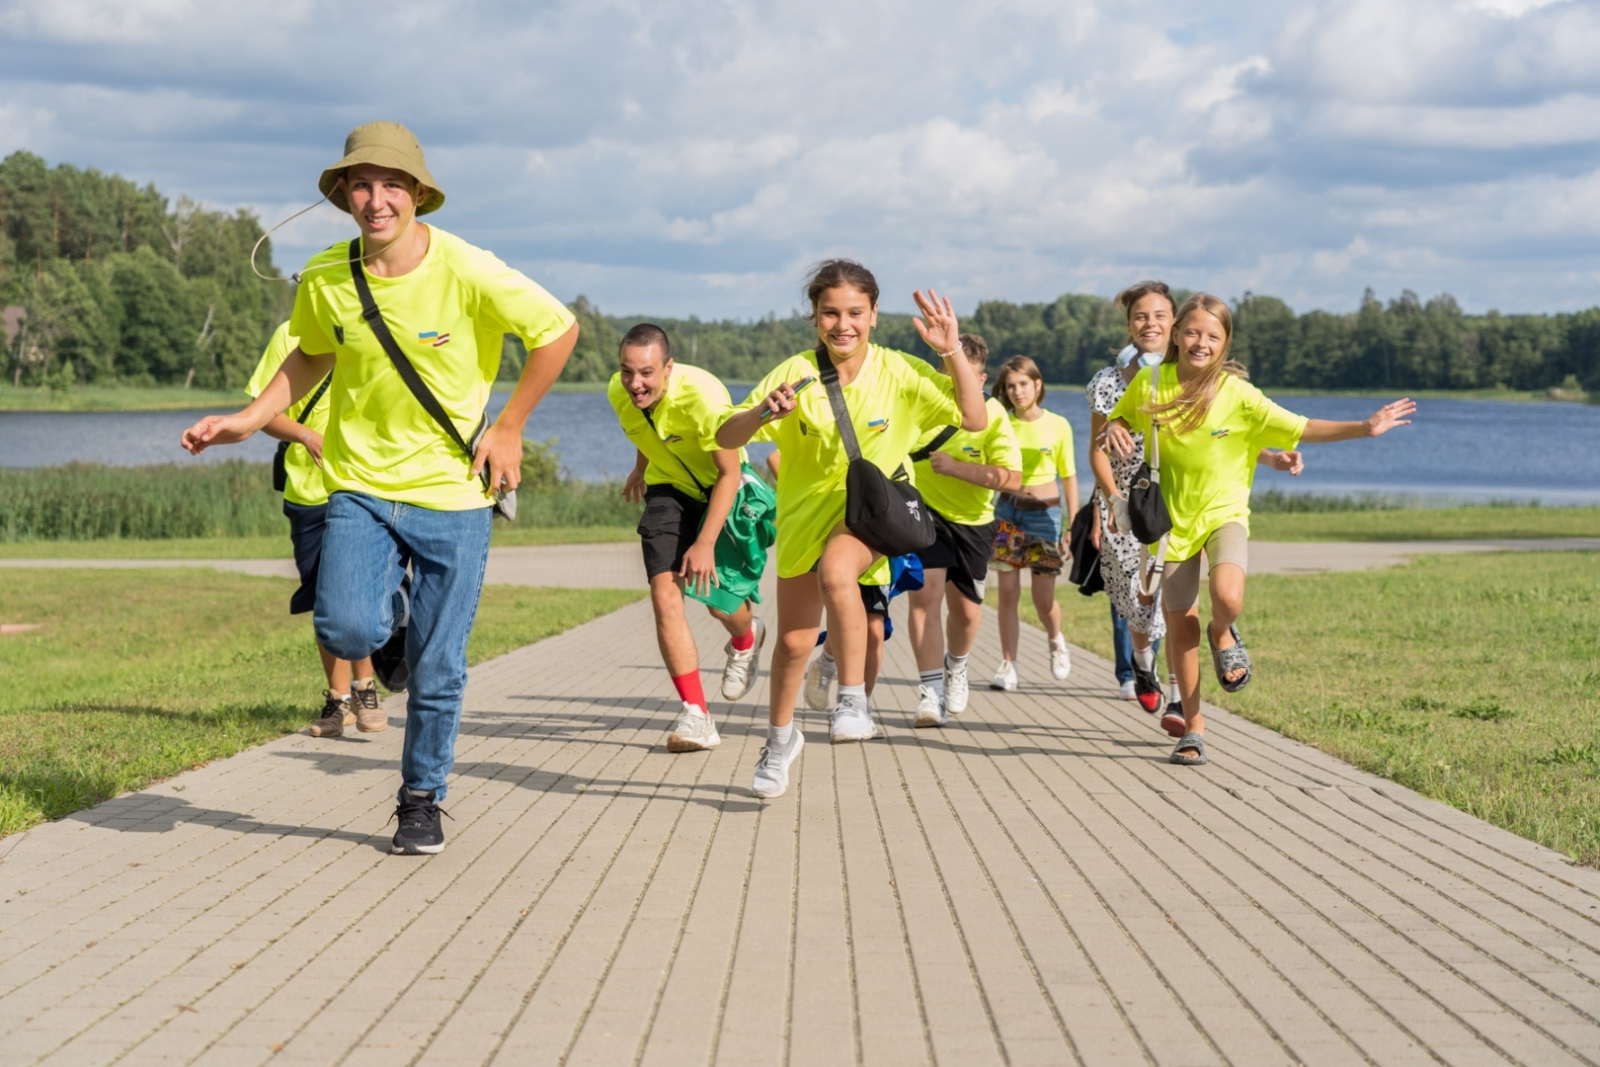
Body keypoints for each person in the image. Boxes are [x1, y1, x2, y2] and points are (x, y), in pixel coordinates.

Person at [181, 121, 579, 853]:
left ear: (419, 194)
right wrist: (246, 419)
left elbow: (557, 330)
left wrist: (512, 424)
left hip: (453, 495)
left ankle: (420, 798)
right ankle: (393, 632)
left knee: (439, 668)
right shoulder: (331, 274)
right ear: (343, 194)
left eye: (392, 183)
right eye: (361, 184)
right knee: (345, 628)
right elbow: (309, 356)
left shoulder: (467, 267)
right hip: (359, 484)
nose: (376, 198)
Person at [1104, 293, 1414, 766]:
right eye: (1191, 332)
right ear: (1176, 335)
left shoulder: (1238, 395)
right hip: (1172, 522)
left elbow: (1303, 426)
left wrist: (1365, 427)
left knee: (1228, 598)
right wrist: (1114, 430)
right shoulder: (1150, 383)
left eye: (1212, 336)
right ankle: (1194, 727)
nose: (1200, 343)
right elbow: (1118, 418)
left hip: (1225, 513)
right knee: (1181, 629)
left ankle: (1224, 632)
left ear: (1225, 343)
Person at [716, 260, 987, 798]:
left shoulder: (901, 371)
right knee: (793, 644)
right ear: (815, 316)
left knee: (840, 574)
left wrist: (951, 350)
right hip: (803, 517)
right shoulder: (793, 370)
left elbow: (974, 417)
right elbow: (727, 434)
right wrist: (762, 416)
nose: (843, 324)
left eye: (855, 313)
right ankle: (778, 741)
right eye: (830, 313)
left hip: (872, 516)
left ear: (875, 314)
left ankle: (853, 700)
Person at [1087, 281, 1303, 729]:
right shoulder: (1111, 382)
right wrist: (1109, 500)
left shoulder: (1202, 376)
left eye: (1161, 316)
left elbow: (1224, 441)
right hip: (1131, 506)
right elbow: (1098, 444)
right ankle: (1142, 665)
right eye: (1141, 317)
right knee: (1139, 604)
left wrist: (1270, 456)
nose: (1151, 324)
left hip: (1178, 502)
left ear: (1175, 324)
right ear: (1129, 326)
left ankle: (1175, 700)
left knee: (1172, 608)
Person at [611, 323, 767, 754]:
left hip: (723, 490)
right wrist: (642, 467)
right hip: (669, 490)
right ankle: (696, 715)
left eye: (645, 374)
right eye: (627, 372)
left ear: (668, 368)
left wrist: (704, 543)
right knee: (665, 594)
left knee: (721, 604)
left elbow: (730, 472)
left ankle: (746, 637)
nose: (634, 383)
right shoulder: (618, 390)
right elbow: (643, 425)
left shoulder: (703, 398)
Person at [247, 320, 382, 738]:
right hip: (306, 492)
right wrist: (306, 435)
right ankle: (338, 702)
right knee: (324, 597)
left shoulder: (375, 328)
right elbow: (262, 413)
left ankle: (366, 687)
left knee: (356, 591)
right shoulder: (290, 334)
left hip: (361, 485)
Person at [904, 334, 1022, 726]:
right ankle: (929, 691)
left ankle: (956, 666)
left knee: (967, 614)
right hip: (923, 514)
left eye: (966, 379)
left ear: (983, 378)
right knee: (925, 598)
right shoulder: (922, 407)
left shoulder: (993, 415)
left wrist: (957, 468)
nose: (957, 387)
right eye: (949, 376)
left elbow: (1012, 478)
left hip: (973, 524)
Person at [988, 356, 1079, 691]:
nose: (1016, 391)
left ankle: (1055, 640)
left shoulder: (1058, 425)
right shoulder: (1000, 423)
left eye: (1023, 384)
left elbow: (1069, 478)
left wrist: (1072, 524)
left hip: (1046, 514)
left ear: (1037, 385)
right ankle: (1008, 665)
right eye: (1010, 386)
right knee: (1007, 593)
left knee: (1043, 600)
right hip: (1008, 513)